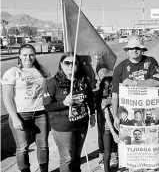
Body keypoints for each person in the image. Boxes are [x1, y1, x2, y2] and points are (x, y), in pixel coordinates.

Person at [43, 52, 96, 172]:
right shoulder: (53, 82)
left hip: (81, 123)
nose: (71, 66)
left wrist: (92, 113)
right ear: (61, 64)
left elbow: (90, 97)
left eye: (74, 63)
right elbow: (47, 106)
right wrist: (63, 103)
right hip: (63, 126)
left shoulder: (82, 80)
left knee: (77, 156)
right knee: (67, 158)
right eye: (67, 63)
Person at [1, 44, 50, 172]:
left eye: (31, 54)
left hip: (41, 113)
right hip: (21, 115)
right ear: (19, 56)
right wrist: (14, 118)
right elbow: (7, 98)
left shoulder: (42, 70)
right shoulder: (12, 72)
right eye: (25, 55)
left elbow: (49, 90)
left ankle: (44, 170)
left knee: (43, 145)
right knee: (22, 147)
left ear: (35, 55)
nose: (28, 57)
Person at [112, 36, 159, 130]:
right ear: (127, 50)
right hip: (129, 113)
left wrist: (134, 83)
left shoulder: (150, 61)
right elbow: (115, 95)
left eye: (137, 48)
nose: (134, 50)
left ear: (142, 50)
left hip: (149, 109)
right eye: (131, 48)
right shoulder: (120, 68)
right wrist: (115, 116)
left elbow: (158, 82)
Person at [97, 76, 119, 171]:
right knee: (107, 153)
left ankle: (121, 168)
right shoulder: (103, 100)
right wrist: (114, 134)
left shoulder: (117, 97)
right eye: (111, 86)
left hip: (119, 127)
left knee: (121, 152)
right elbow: (107, 119)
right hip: (108, 129)